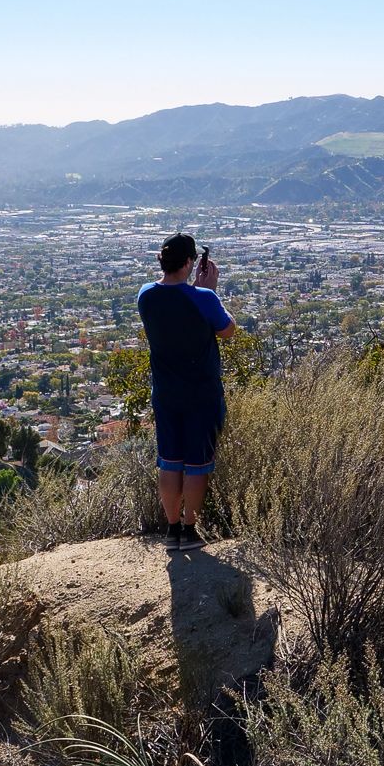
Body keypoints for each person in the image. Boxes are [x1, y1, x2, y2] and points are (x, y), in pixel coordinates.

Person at [136, 232, 237, 550]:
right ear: (191, 262)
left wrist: (199, 292)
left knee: (169, 461)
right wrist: (209, 291)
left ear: (161, 261)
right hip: (201, 394)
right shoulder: (204, 298)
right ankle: (190, 531)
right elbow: (228, 330)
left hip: (165, 393)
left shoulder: (145, 295)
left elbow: (176, 305)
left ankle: (171, 529)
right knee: (197, 464)